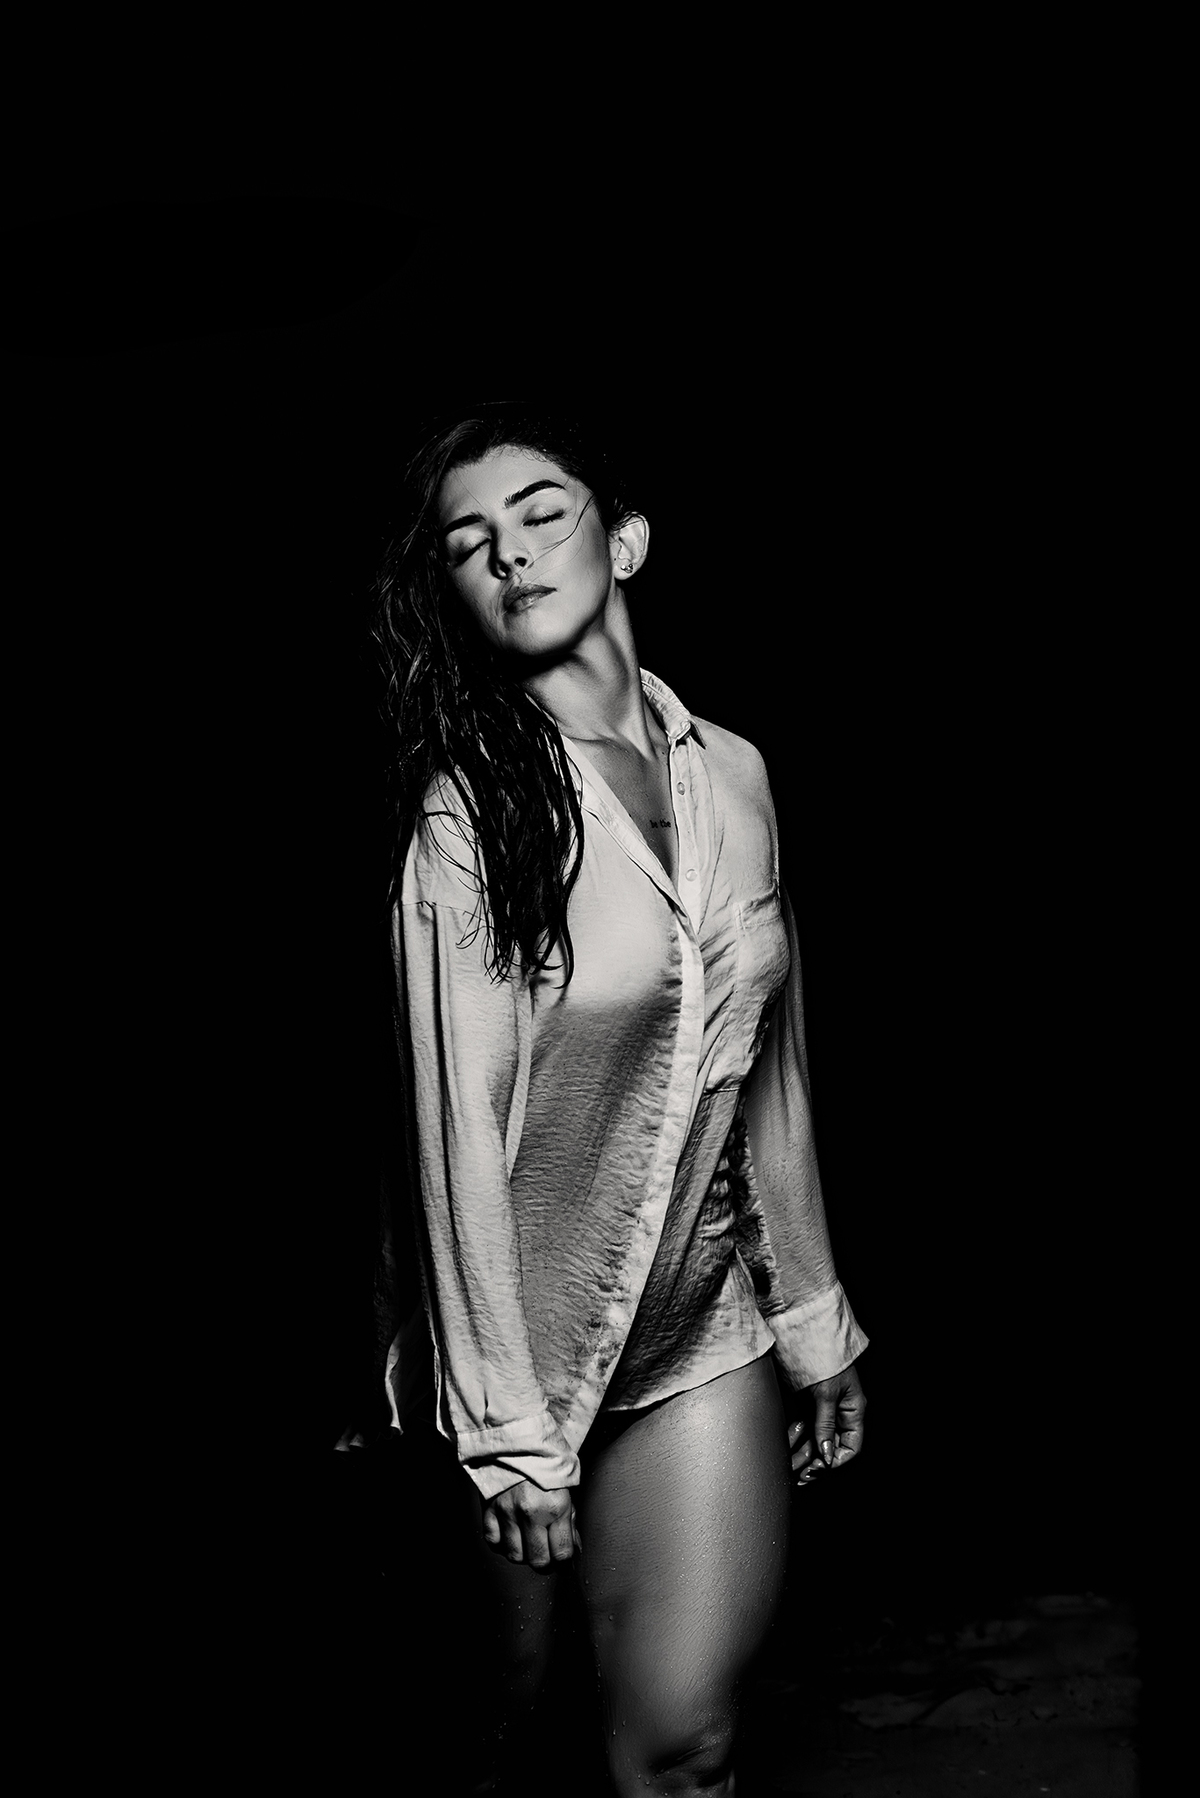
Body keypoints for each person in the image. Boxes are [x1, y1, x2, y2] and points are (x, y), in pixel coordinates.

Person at [368, 403, 869, 1797]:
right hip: (517, 1362)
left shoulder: (738, 777)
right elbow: (452, 1148)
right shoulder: (469, 821)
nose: (510, 555)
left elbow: (769, 1068)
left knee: (684, 1744)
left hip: (698, 1331)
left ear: (627, 541)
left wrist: (813, 1319)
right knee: (503, 1739)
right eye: (470, 543)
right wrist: (506, 1435)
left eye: (543, 514)